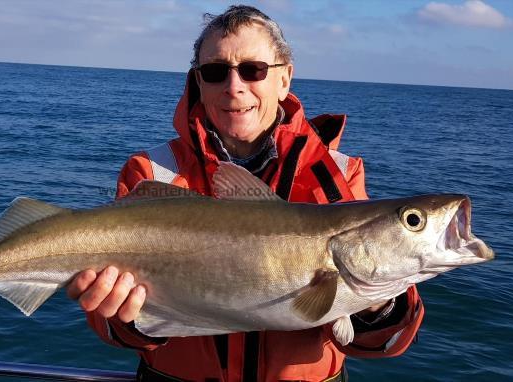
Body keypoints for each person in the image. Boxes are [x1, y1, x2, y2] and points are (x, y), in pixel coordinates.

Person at [66, 5, 424, 381]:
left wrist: (378, 305)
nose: (234, 86)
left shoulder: (338, 175)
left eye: (253, 70)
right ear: (198, 82)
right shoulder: (151, 172)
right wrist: (125, 317)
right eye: (216, 72)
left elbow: (383, 342)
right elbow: (113, 329)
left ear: (284, 79)